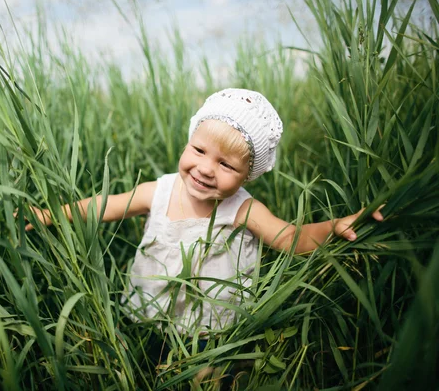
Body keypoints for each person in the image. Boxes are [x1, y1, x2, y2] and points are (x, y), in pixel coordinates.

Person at [22, 88, 383, 335]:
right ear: (188, 141)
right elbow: (106, 205)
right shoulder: (160, 190)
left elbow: (290, 237)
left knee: (202, 373)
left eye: (226, 165)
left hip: (210, 321)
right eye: (198, 150)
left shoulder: (241, 207)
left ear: (247, 176)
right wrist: (51, 214)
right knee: (151, 350)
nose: (206, 168)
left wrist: (336, 225)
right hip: (153, 305)